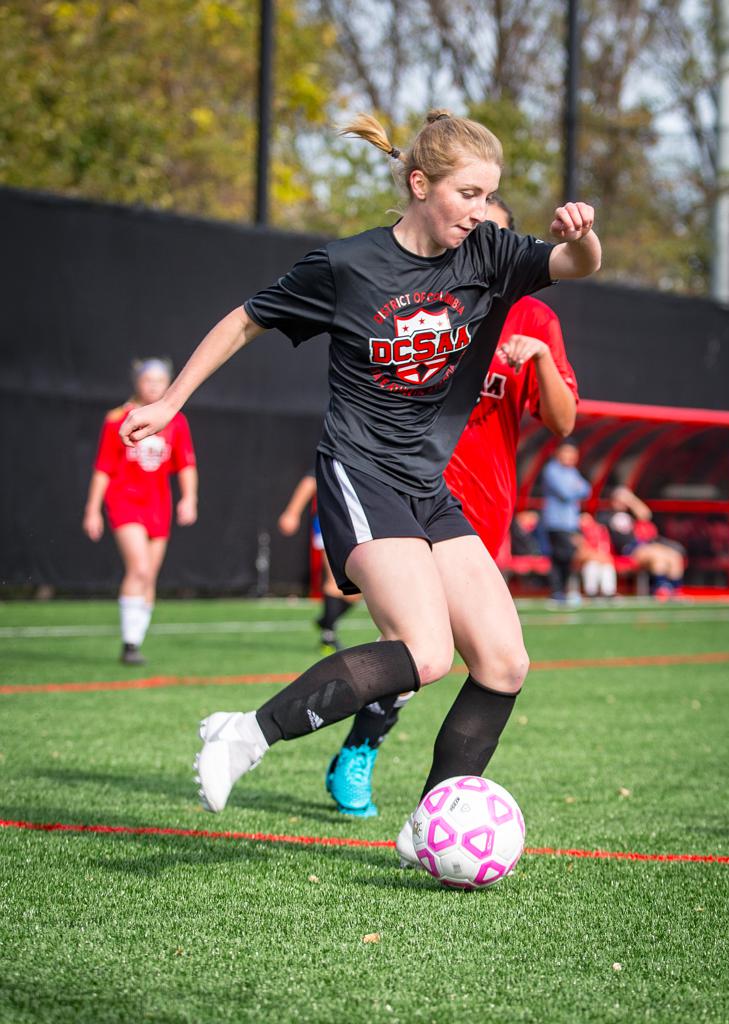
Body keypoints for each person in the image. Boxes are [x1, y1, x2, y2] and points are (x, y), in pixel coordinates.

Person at [119, 109, 601, 867]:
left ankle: (425, 829)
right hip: (360, 468)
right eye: (468, 193)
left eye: (490, 196)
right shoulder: (347, 267)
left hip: (425, 482)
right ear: (420, 184)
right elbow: (244, 320)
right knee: (423, 651)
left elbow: (578, 268)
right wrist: (170, 401)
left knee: (504, 661)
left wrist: (581, 236)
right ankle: (244, 735)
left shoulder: (492, 254)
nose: (480, 211)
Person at [325, 195, 580, 817]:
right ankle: (360, 752)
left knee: (488, 659)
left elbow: (564, 421)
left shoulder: (533, 318)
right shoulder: (424, 302)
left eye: (487, 233)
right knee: (416, 645)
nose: (470, 242)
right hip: (411, 486)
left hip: (481, 509)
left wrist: (541, 358)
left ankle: (428, 798)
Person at [83, 358, 198, 664]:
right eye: (149, 380)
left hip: (157, 503)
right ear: (137, 382)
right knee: (140, 569)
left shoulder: (176, 421)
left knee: (150, 577)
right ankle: (130, 644)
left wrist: (189, 498)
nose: (154, 386)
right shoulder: (118, 418)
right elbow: (103, 467)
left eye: (161, 381)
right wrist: (92, 509)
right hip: (125, 499)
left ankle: (136, 640)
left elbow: (186, 464)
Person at [278, 470, 361, 652]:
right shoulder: (341, 447)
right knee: (335, 580)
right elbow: (310, 480)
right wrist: (292, 513)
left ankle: (326, 620)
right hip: (330, 521)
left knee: (357, 590)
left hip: (356, 524)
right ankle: (328, 636)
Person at [606, 485, 685, 598]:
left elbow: (646, 514)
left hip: (643, 545)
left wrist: (631, 499)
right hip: (629, 549)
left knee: (674, 556)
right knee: (656, 556)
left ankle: (673, 591)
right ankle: (661, 589)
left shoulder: (630, 514)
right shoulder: (606, 515)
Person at [541, 439, 591, 603]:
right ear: (558, 453)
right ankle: (557, 591)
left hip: (570, 523)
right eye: (567, 452)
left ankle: (562, 591)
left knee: (568, 557)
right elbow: (566, 493)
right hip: (556, 522)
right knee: (560, 556)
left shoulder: (572, 472)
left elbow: (587, 489)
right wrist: (575, 488)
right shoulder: (551, 470)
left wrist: (575, 488)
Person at [575, 512, 617, 598]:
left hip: (599, 560)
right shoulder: (576, 533)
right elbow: (580, 554)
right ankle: (591, 593)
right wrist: (593, 556)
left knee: (606, 566)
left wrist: (596, 556)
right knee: (592, 564)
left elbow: (605, 554)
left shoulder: (600, 531)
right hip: (581, 563)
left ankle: (608, 594)